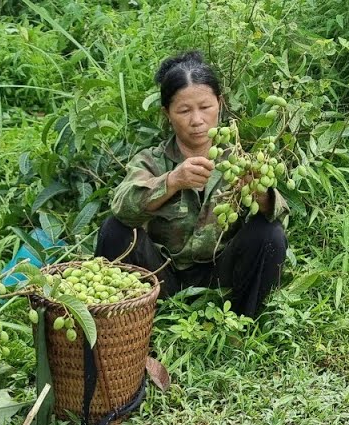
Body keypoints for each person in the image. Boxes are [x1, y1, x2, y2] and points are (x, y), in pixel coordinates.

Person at [98, 51, 288, 318]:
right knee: (115, 230)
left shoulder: (238, 161)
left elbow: (278, 213)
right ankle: (125, 323)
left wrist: (258, 192)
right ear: (167, 114)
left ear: (219, 104)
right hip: (160, 278)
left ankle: (245, 323)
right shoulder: (151, 161)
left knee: (270, 234)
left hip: (221, 278)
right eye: (184, 110)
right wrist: (172, 181)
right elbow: (122, 207)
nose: (197, 120)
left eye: (205, 107)